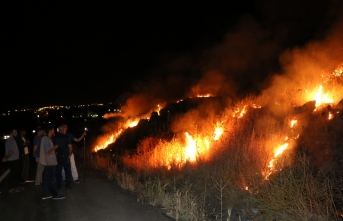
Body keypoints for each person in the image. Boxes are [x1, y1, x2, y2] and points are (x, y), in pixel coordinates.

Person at [40, 125, 64, 200]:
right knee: (51, 179)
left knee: (47, 179)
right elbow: (47, 151)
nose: (54, 131)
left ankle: (45, 194)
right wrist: (54, 147)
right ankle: (54, 195)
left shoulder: (46, 138)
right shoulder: (47, 139)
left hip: (48, 162)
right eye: (53, 130)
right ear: (50, 131)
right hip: (49, 162)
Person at [2, 128, 23, 193]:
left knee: (16, 174)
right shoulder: (10, 140)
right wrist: (6, 157)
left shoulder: (13, 140)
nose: (16, 133)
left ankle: (16, 186)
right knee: (13, 174)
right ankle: (11, 188)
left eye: (16, 132)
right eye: (15, 132)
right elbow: (10, 151)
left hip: (15, 159)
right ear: (11, 133)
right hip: (12, 160)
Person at [53, 125, 72, 190]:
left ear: (58, 130)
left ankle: (59, 186)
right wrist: (70, 154)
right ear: (63, 130)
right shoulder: (66, 137)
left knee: (58, 172)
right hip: (65, 157)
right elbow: (70, 147)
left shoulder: (54, 138)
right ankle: (67, 185)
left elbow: (52, 147)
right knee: (67, 172)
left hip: (58, 157)